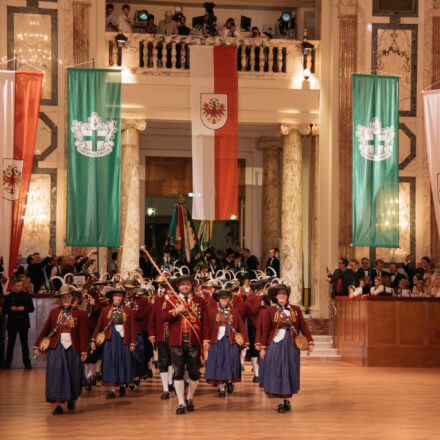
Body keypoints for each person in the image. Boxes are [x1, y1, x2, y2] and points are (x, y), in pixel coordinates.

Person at [258, 284, 313, 413]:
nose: (281, 296)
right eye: (279, 295)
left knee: (289, 371)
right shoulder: (270, 311)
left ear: (287, 296)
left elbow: (303, 328)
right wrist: (263, 348)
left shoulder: (296, 310)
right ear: (276, 297)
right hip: (275, 344)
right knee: (277, 371)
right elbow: (265, 331)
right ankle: (280, 402)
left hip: (291, 344)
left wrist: (310, 341)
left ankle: (286, 398)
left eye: (284, 294)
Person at [33, 286, 88, 415]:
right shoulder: (54, 312)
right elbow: (46, 330)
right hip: (57, 348)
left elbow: (83, 334)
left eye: (68, 296)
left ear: (72, 298)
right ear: (59, 299)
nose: (65, 299)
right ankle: (59, 404)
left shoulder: (81, 314)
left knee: (73, 375)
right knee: (57, 376)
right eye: (63, 297)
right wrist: (37, 345)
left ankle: (71, 398)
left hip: (73, 349)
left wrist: (84, 351)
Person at [162, 274, 209, 415]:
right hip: (176, 341)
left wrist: (206, 340)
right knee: (178, 372)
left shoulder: (200, 301)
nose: (185, 286)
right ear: (178, 287)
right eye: (182, 284)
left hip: (194, 341)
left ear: (191, 286)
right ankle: (181, 403)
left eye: (188, 284)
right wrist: (177, 311)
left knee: (194, 373)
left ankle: (189, 397)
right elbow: (163, 317)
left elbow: (205, 322)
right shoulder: (171, 301)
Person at [91, 287, 136, 399]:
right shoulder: (105, 310)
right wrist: (93, 339)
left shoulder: (128, 310)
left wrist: (132, 342)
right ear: (112, 297)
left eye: (120, 296)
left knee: (123, 362)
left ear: (122, 298)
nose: (117, 298)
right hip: (110, 339)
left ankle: (121, 386)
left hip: (123, 340)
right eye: (116, 296)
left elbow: (132, 327)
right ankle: (111, 389)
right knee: (110, 363)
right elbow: (99, 325)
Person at [204, 289, 249, 397]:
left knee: (231, 363)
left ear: (229, 299)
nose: (224, 299)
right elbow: (207, 327)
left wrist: (246, 341)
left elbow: (241, 326)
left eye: (226, 297)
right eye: (222, 297)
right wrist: (206, 340)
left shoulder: (234, 311)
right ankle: (222, 389)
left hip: (231, 341)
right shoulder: (211, 311)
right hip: (216, 342)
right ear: (218, 299)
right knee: (219, 364)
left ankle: (229, 381)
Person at [149, 276, 175, 399]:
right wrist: (152, 333)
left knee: (175, 361)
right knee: (164, 361)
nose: (170, 290)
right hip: (162, 334)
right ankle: (165, 389)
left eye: (172, 288)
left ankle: (171, 383)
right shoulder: (159, 300)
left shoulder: (179, 300)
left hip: (175, 335)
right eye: (167, 288)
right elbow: (152, 319)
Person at [3, 278, 35, 369]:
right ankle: (7, 364)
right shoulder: (9, 297)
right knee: (10, 344)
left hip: (23, 322)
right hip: (12, 322)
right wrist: (10, 308)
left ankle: (27, 364)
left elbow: (32, 309)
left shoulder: (26, 296)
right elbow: (4, 310)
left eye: (21, 285)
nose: (19, 287)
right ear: (13, 287)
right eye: (17, 286)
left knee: (24, 343)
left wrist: (24, 308)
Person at [123, 279, 148, 388]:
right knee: (124, 355)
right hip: (123, 331)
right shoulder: (121, 299)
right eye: (126, 288)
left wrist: (129, 311)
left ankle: (136, 375)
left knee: (137, 355)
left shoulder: (141, 300)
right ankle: (126, 377)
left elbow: (141, 316)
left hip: (136, 330)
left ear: (135, 289)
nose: (128, 291)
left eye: (130, 289)